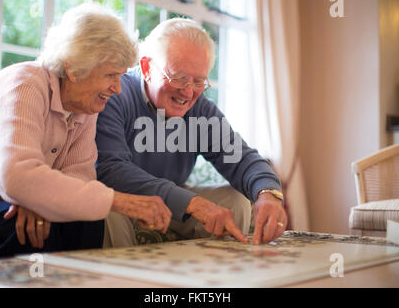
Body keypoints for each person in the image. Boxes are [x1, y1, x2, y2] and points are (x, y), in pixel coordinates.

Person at [0, 3, 171, 257]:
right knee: (23, 228)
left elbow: (79, 177)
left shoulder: (83, 106)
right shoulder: (24, 86)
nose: (117, 89)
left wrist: (41, 199)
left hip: (10, 196)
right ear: (73, 67)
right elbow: (17, 176)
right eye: (110, 76)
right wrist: (122, 202)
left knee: (87, 218)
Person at [96, 18, 287, 248]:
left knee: (235, 200)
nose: (188, 92)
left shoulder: (200, 109)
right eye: (178, 78)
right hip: (125, 202)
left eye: (199, 81)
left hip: (173, 203)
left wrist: (268, 193)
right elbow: (110, 170)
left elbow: (240, 157)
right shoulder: (116, 93)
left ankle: (213, 280)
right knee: (107, 209)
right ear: (147, 68)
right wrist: (192, 203)